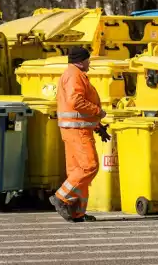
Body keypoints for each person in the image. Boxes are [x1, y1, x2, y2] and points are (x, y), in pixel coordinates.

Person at [49, 46, 110, 223]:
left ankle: (77, 212)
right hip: (77, 130)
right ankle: (61, 197)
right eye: (87, 60)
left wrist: (97, 126)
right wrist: (98, 111)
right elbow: (75, 101)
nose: (89, 62)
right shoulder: (74, 75)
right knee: (88, 167)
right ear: (80, 61)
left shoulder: (73, 74)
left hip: (75, 128)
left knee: (77, 172)